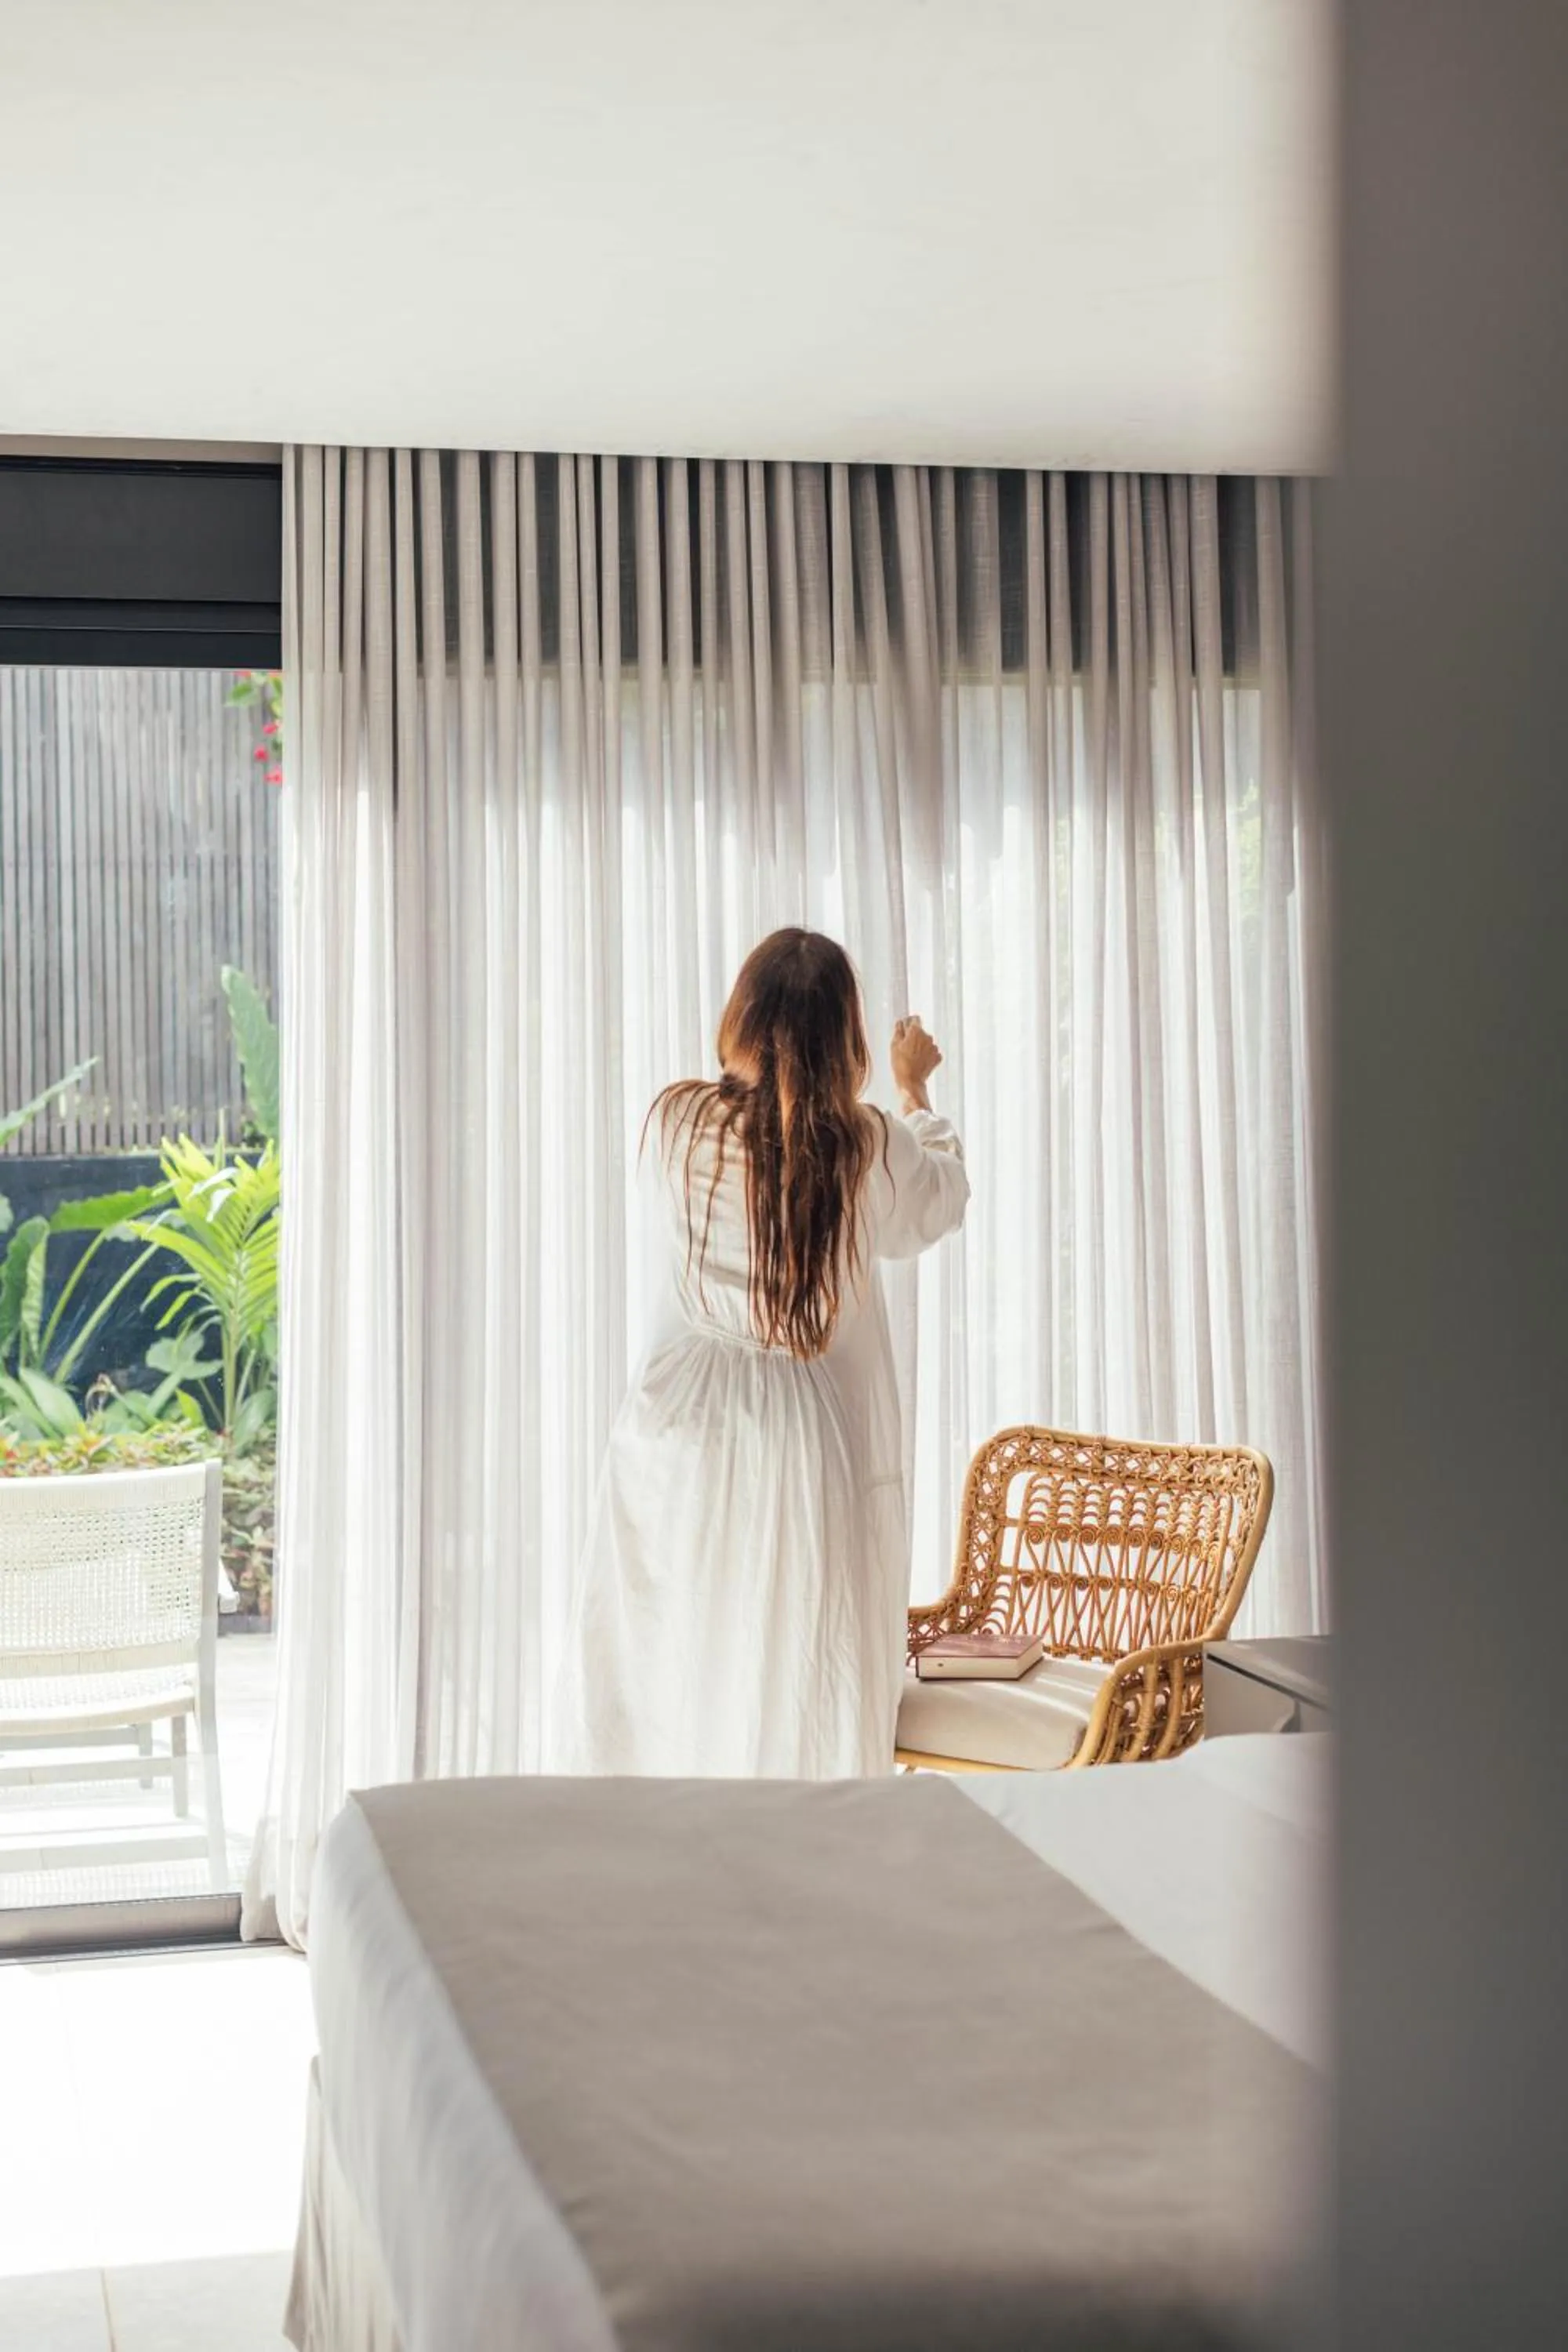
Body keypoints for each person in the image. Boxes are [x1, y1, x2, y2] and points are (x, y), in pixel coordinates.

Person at [548, 927, 970, 1779]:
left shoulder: (676, 1121)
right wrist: (914, 1088)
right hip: (804, 1434)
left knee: (667, 1648)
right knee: (794, 1665)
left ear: (741, 1015)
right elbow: (938, 1203)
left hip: (679, 1421)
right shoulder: (865, 1144)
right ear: (842, 1035)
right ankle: (787, 1862)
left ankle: (651, 1856)